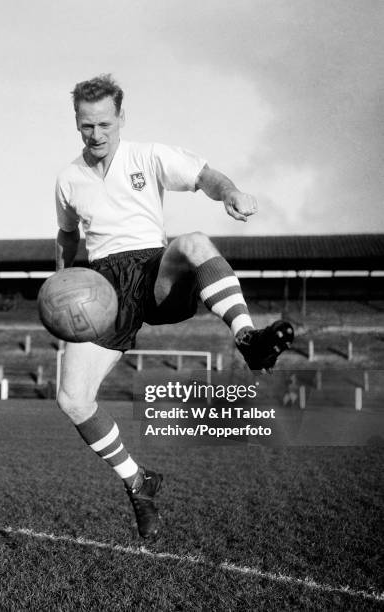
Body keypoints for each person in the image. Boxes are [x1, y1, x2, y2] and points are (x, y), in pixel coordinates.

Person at [54, 74, 293, 539]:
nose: (96, 134)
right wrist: (62, 281)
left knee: (194, 241)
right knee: (72, 399)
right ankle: (138, 482)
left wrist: (232, 194)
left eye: (104, 124)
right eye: (86, 126)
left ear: (121, 118)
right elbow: (66, 236)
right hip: (102, 291)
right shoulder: (67, 179)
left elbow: (204, 176)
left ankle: (248, 338)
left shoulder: (148, 155)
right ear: (76, 123)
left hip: (153, 270)